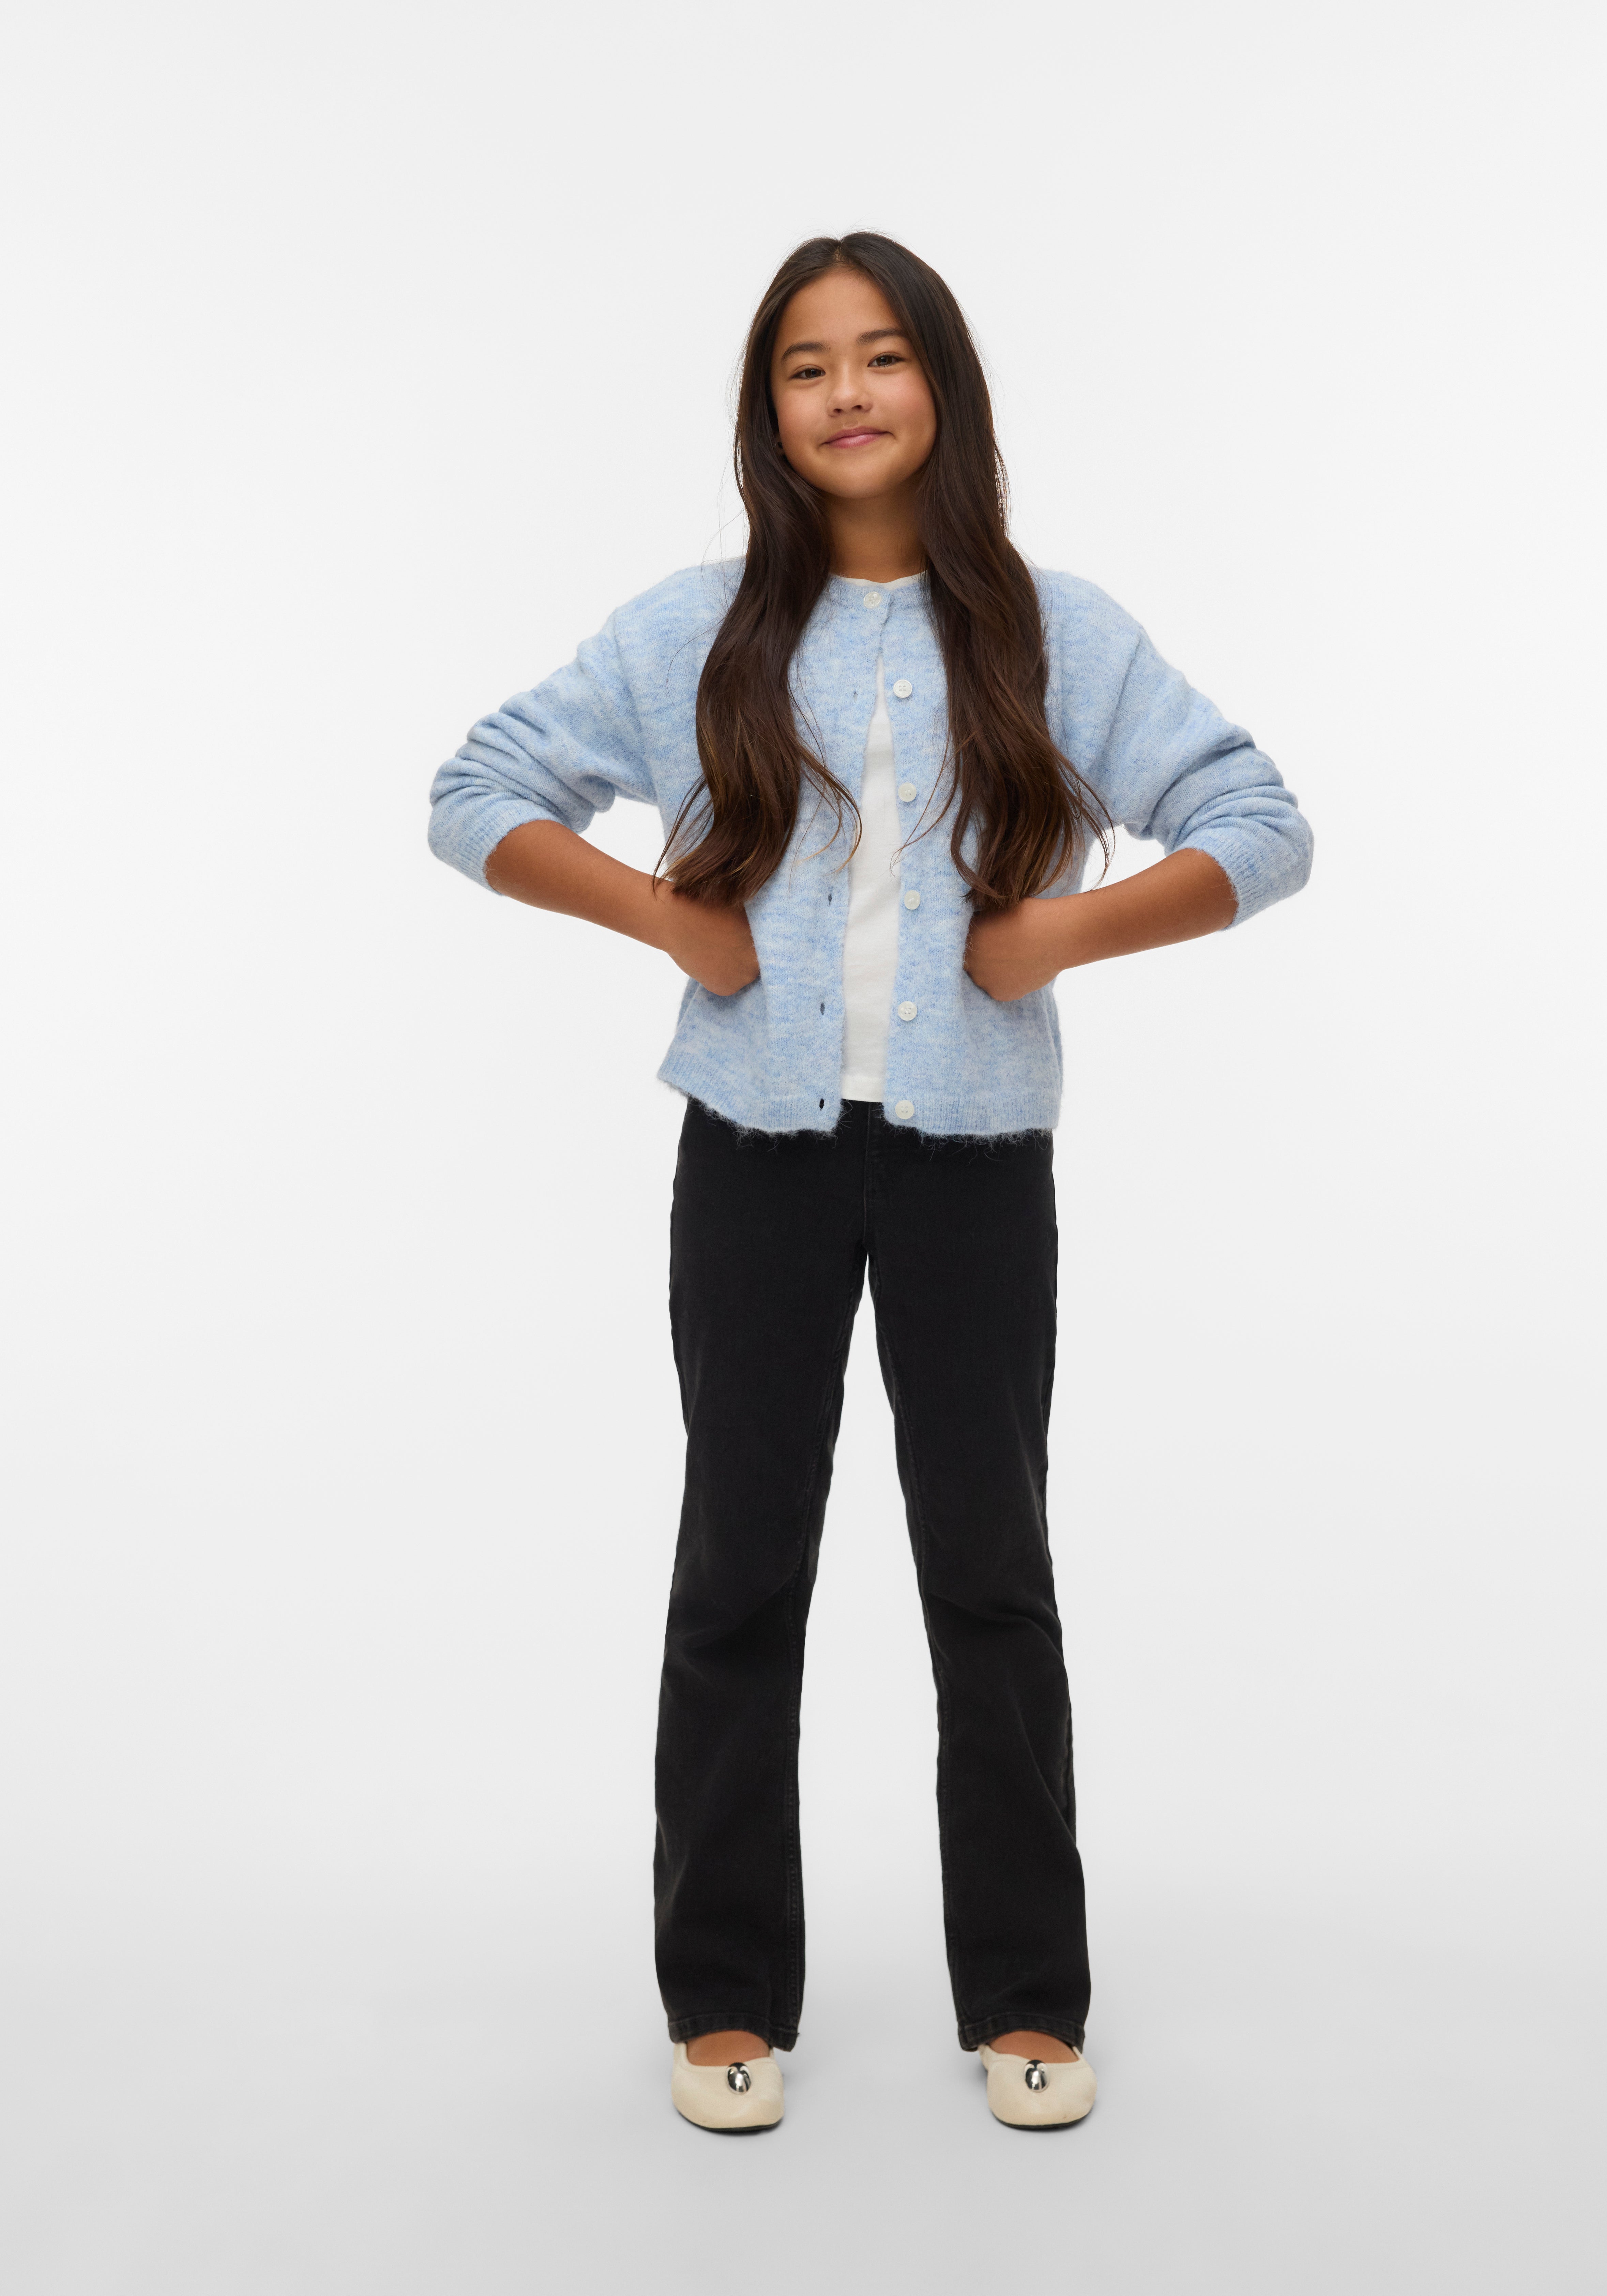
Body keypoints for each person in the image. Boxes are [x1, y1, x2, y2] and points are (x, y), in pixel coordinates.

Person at [427, 232, 1312, 2132]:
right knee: (740, 1563)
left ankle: (1031, 1997)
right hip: (751, 1160)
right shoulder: (694, 629)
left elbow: (1260, 823)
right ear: (769, 409)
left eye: (883, 354)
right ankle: (722, 1996)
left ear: (943, 386)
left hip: (973, 1169)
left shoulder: (1055, 631)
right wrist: (678, 921)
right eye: (807, 364)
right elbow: (474, 791)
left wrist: (1055, 935)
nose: (846, 393)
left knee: (990, 1571)